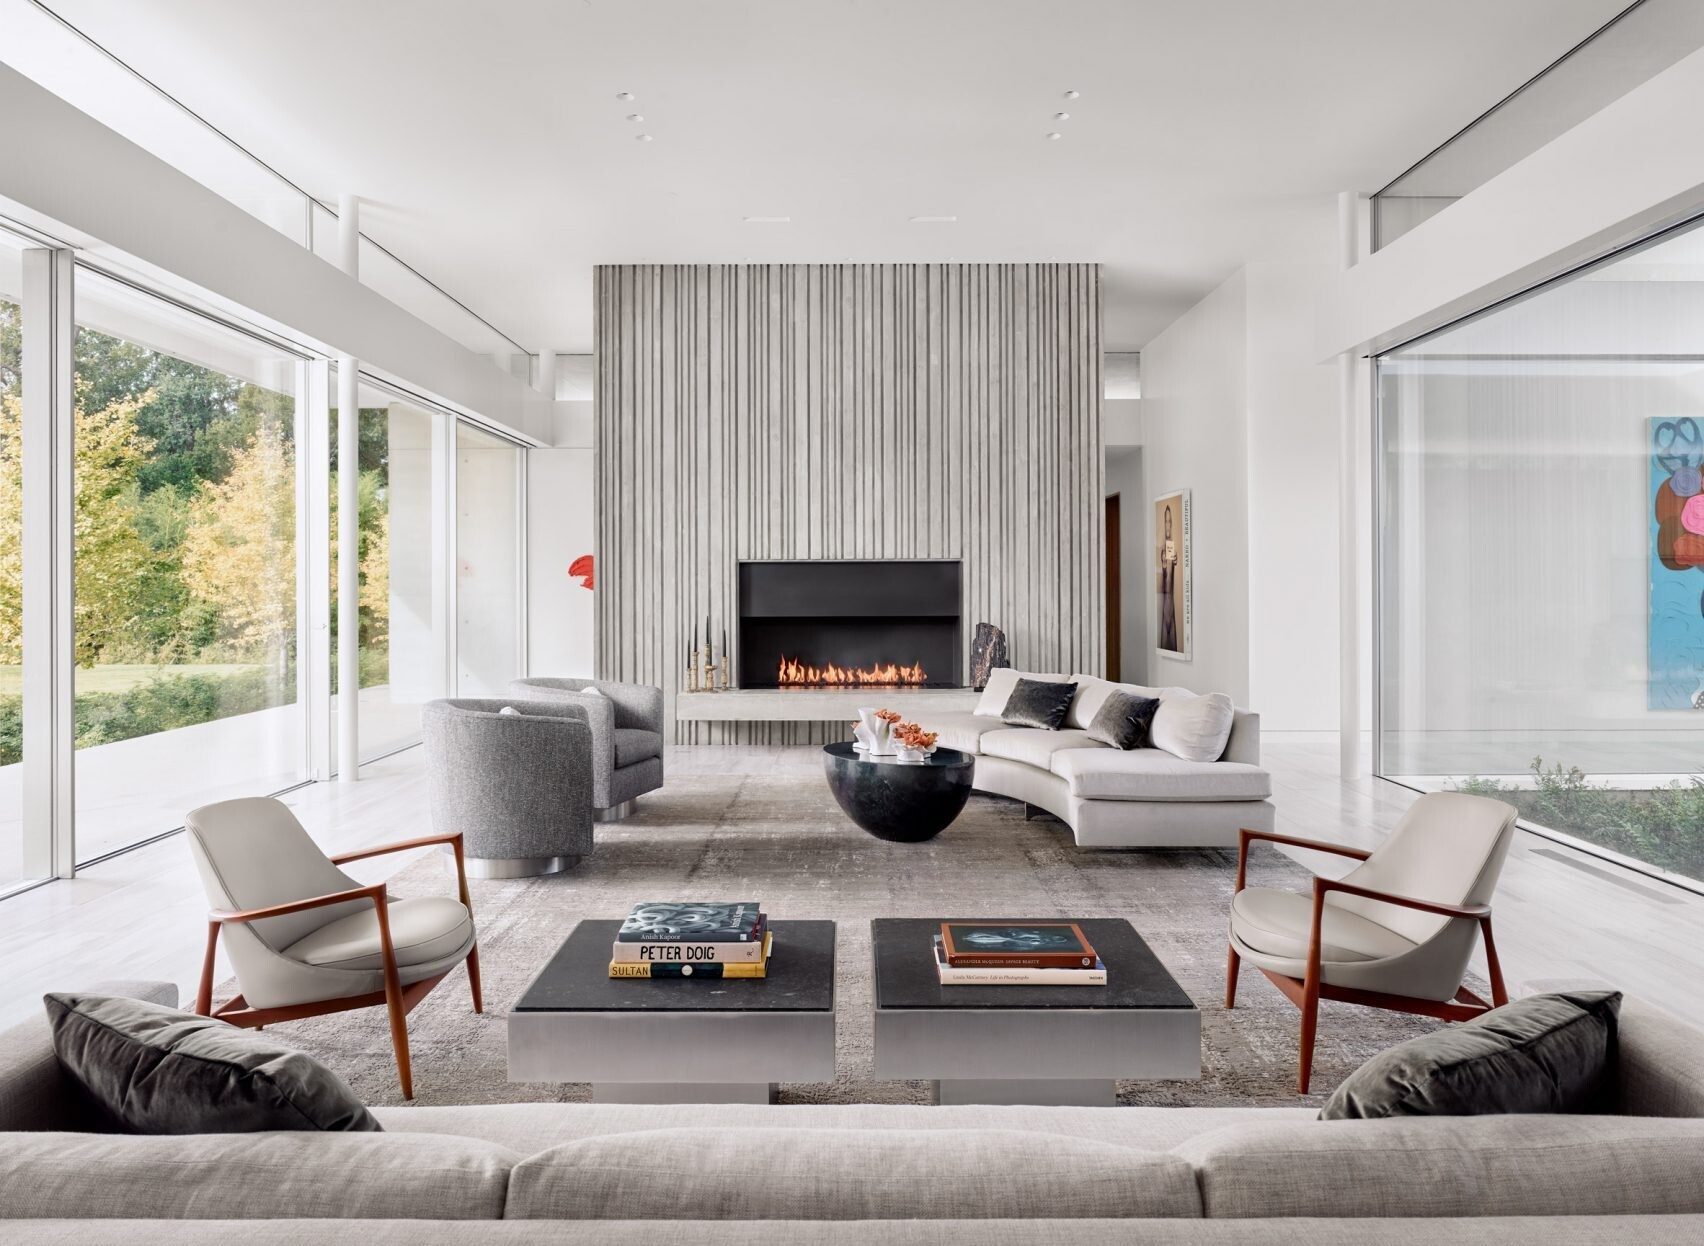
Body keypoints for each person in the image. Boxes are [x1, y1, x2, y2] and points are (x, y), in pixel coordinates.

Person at [1158, 503, 1179, 652]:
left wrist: (1175, 562)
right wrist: (1164, 565)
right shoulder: (1162, 550)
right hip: (1164, 604)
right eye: (1166, 521)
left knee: (1172, 645)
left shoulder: (1174, 548)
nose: (1168, 525)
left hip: (1172, 605)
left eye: (1170, 521)